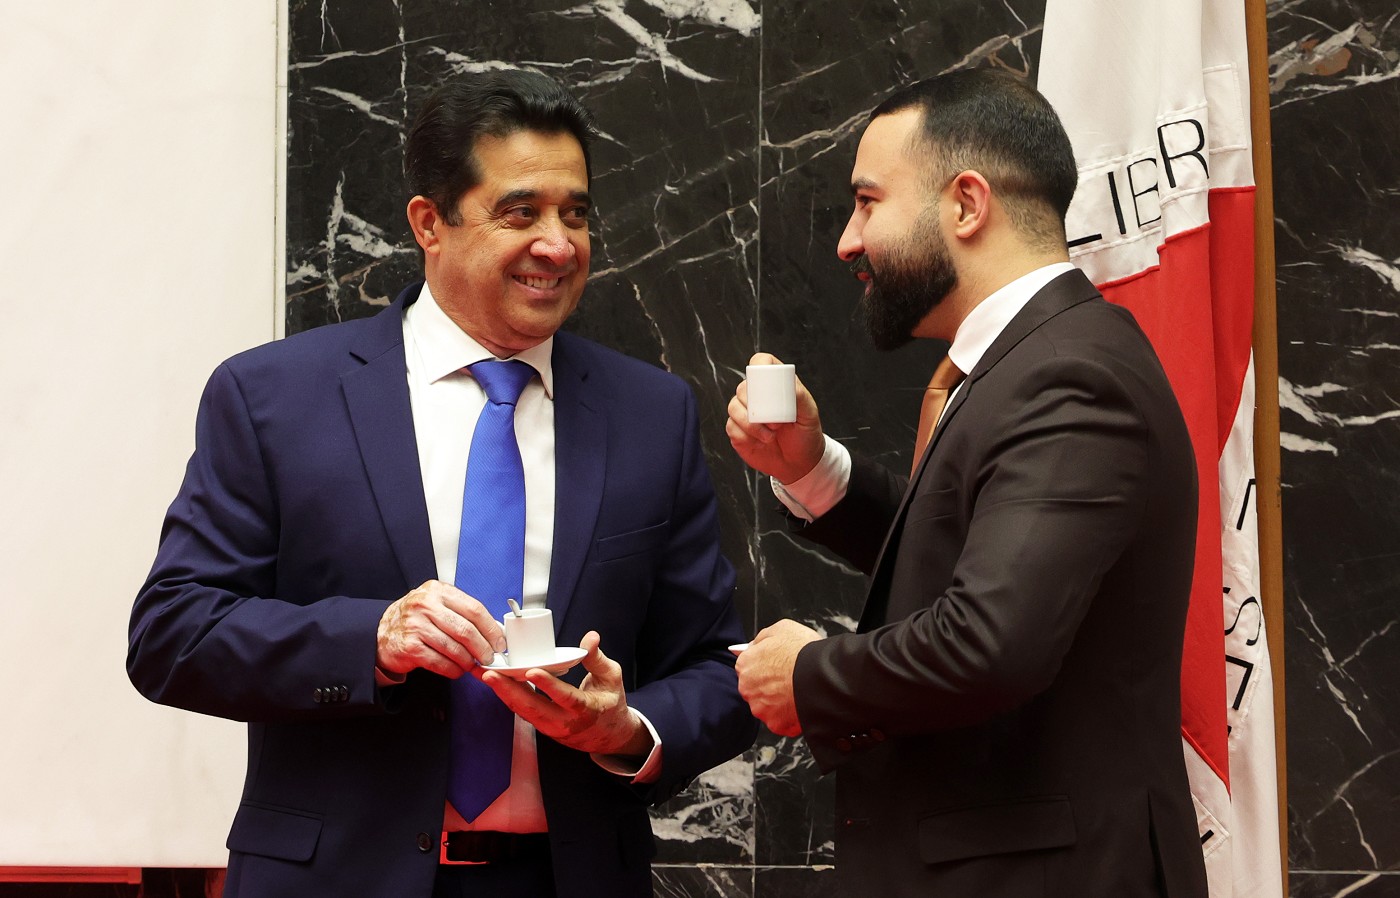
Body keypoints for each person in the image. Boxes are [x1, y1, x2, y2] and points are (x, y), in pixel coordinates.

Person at [128, 70, 755, 898]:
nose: (559, 245)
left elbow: (718, 667)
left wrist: (627, 727)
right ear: (429, 222)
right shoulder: (275, 397)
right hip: (336, 881)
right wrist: (372, 640)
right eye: (521, 213)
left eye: (575, 214)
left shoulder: (650, 413)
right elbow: (172, 634)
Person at [725, 68, 1209, 897]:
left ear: (966, 204)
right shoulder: (1033, 360)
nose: (846, 241)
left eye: (868, 202)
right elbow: (984, 552)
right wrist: (811, 470)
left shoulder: (1069, 376)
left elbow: (990, 641)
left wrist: (809, 676)